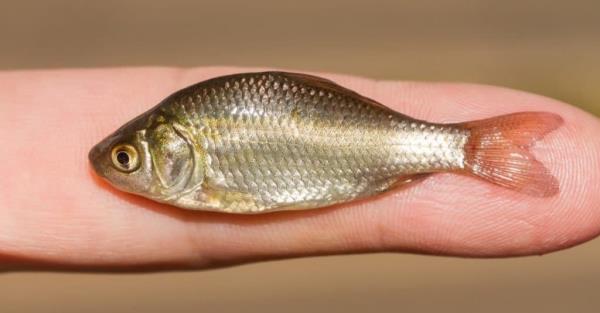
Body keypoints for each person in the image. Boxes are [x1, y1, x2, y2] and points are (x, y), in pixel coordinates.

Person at [1, 67, 598, 271]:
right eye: (124, 161)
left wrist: (457, 147)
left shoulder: (198, 151)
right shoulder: (189, 132)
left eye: (127, 160)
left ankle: (467, 148)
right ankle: (465, 149)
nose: (122, 168)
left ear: (172, 148)